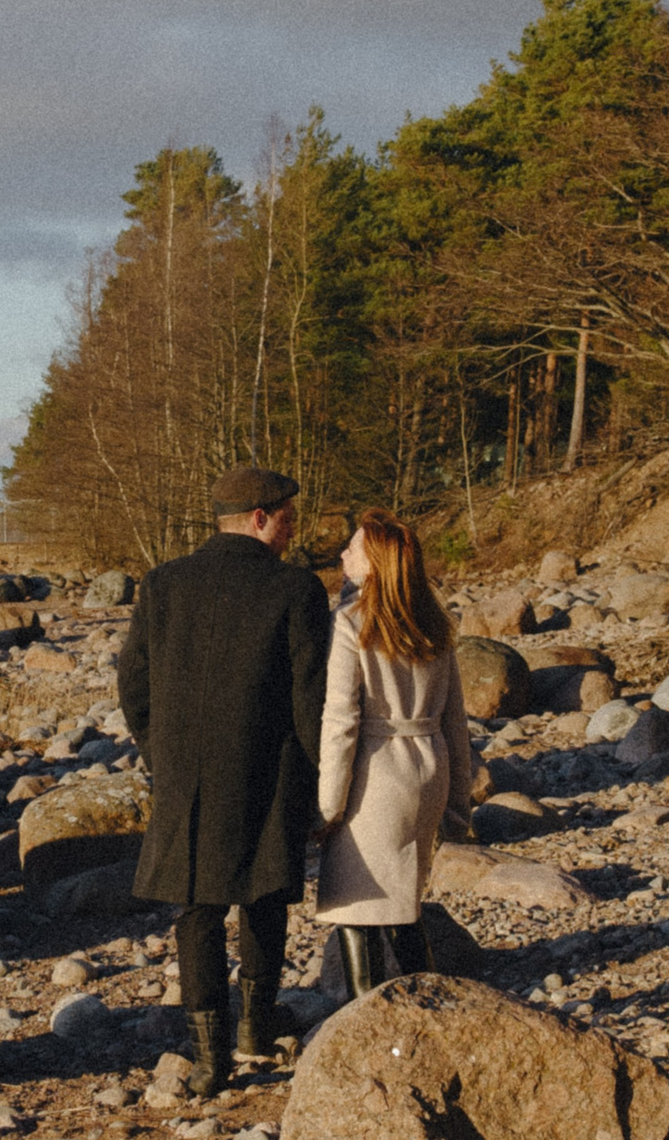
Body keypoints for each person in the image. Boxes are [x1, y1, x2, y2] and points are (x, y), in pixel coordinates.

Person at [117, 464, 330, 1094]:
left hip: (186, 774)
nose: (294, 531)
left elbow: (133, 686)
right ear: (262, 518)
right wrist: (325, 783)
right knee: (264, 897)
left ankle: (210, 1059)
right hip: (271, 769)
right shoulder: (297, 589)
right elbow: (310, 699)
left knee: (198, 907)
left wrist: (162, 753)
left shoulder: (162, 584)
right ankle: (256, 1030)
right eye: (289, 518)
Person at [314, 508, 474, 994]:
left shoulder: (351, 623)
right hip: (429, 764)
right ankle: (423, 1003)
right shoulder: (433, 623)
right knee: (405, 905)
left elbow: (341, 721)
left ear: (375, 562)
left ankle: (366, 1022)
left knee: (357, 907)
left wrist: (328, 805)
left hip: (377, 775)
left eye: (354, 547)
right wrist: (458, 802)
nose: (343, 552)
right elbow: (456, 721)